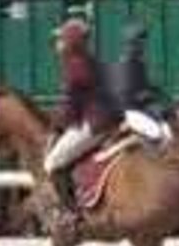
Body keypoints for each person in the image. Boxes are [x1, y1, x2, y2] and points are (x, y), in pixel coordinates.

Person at [43, 18, 123, 231]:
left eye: (61, 39)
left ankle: (73, 213)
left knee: (51, 163)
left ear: (72, 42)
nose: (57, 44)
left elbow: (69, 108)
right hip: (108, 118)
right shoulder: (89, 60)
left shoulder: (75, 66)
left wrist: (54, 131)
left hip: (95, 123)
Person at [114, 23, 169, 142]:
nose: (142, 46)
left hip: (143, 109)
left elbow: (144, 87)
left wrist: (156, 91)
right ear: (130, 44)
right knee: (157, 134)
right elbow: (126, 94)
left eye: (143, 43)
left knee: (169, 127)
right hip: (131, 111)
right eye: (139, 43)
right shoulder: (125, 64)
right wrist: (148, 96)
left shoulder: (139, 62)